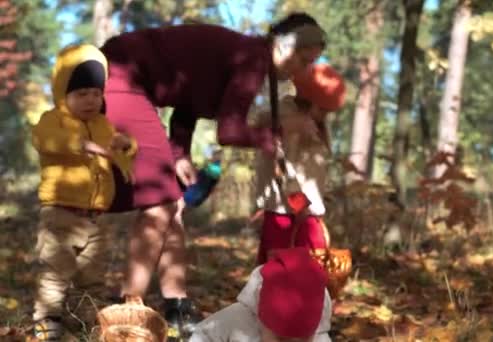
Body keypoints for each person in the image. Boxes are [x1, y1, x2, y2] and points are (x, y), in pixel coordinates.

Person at [99, 12, 327, 337]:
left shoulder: (248, 55)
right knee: (160, 205)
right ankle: (128, 306)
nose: (301, 70)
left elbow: (186, 100)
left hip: (130, 77)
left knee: (173, 205)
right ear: (283, 44)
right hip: (122, 75)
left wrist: (179, 155)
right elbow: (229, 131)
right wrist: (269, 138)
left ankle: (176, 305)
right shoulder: (252, 59)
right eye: (303, 59)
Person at [30, 44, 136, 341]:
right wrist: (81, 143)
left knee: (94, 275)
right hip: (61, 213)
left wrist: (126, 146)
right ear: (64, 93)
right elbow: (46, 140)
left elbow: (118, 150)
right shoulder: (53, 120)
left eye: (95, 93)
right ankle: (47, 322)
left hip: (96, 217)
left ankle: (87, 320)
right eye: (81, 94)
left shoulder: (103, 124)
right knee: (55, 272)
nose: (90, 100)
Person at [254, 63, 346, 264]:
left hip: (304, 211)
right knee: (283, 274)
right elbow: (282, 166)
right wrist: (299, 203)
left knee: (308, 272)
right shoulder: (290, 121)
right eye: (324, 110)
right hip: (289, 212)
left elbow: (312, 170)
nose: (326, 115)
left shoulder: (311, 123)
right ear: (310, 101)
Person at [189, 247, 332, 342]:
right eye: (281, 340)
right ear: (262, 317)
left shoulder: (320, 336)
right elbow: (203, 335)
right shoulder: (239, 319)